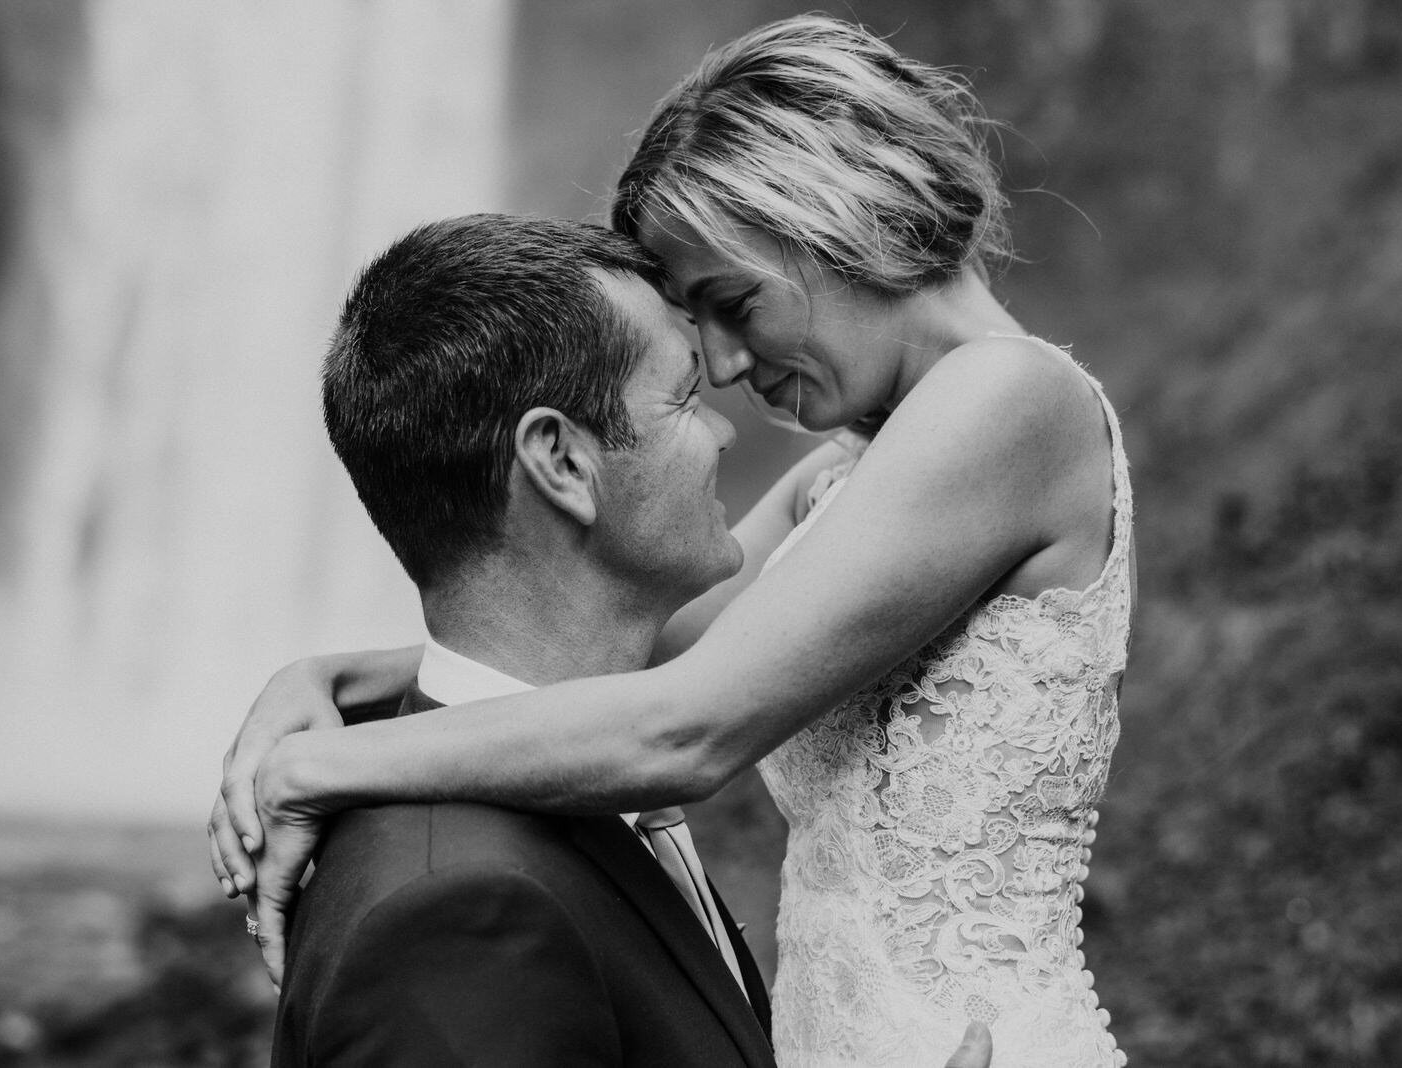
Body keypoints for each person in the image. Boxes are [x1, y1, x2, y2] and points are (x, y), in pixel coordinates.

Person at [214, 15, 1126, 1067]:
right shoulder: (851, 477)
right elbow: (648, 638)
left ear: (834, 216)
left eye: (732, 304)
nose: (729, 367)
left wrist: (323, 766)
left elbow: (683, 731)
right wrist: (324, 676)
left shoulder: (1009, 400)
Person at [265, 214, 776, 1065]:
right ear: (563, 462)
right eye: (687, 398)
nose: (723, 431)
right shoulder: (460, 912)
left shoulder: (554, 794)